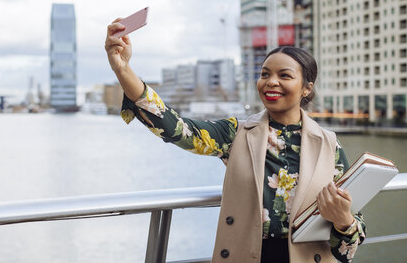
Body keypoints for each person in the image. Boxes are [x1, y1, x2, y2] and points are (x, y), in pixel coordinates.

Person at [105, 17, 366, 263]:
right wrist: (123, 69)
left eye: (284, 76)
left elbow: (350, 245)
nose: (270, 82)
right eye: (264, 74)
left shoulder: (328, 144)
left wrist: (343, 219)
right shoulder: (237, 133)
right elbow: (177, 129)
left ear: (307, 88)